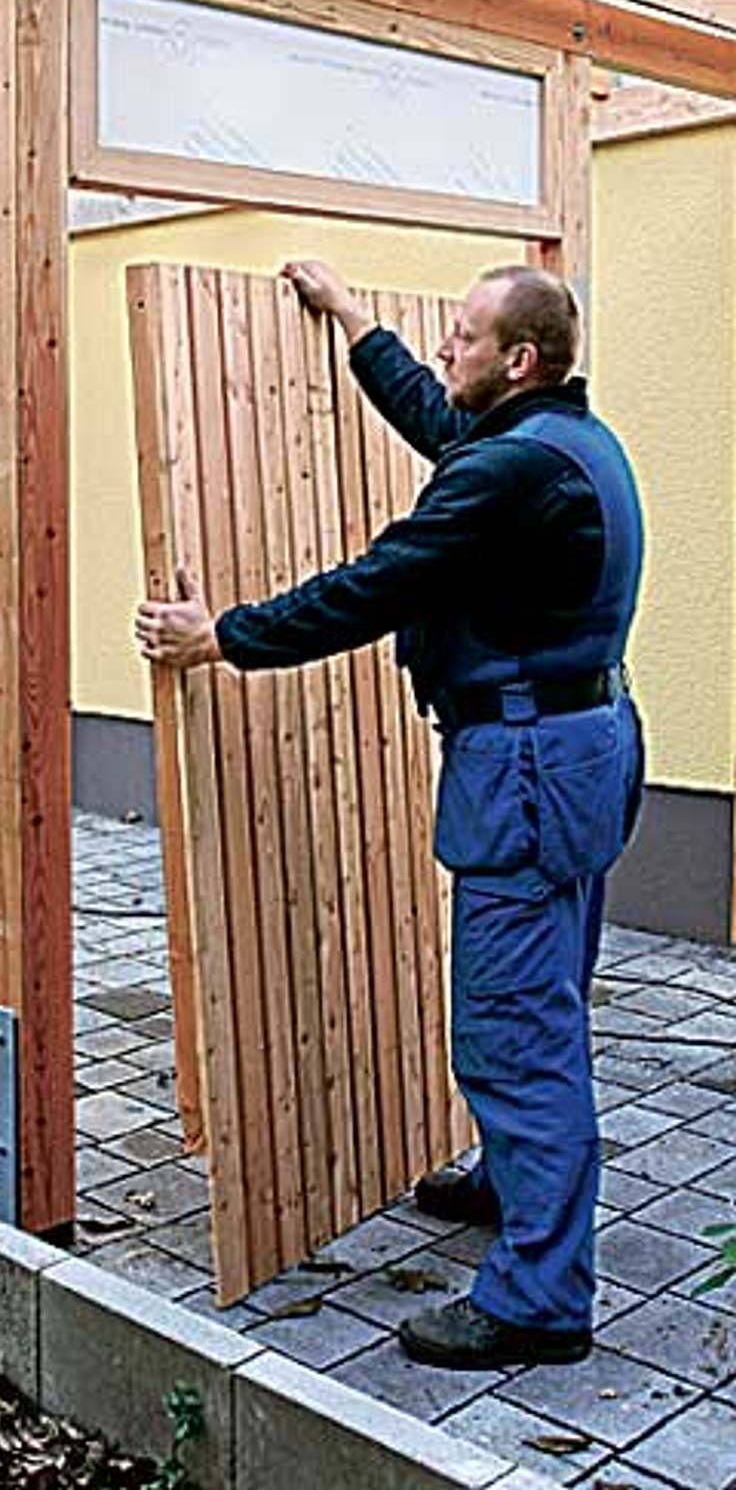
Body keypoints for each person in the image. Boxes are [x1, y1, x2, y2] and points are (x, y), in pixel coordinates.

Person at [134, 260, 644, 1370]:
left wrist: (218, 633)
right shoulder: (560, 437)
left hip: (524, 766)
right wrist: (358, 326)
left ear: (517, 359)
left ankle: (540, 1298)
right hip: (582, 744)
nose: (445, 347)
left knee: (514, 1032)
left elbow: (376, 583)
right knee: (545, 991)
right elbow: (438, 417)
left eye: (462, 336)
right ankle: (516, 1180)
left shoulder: (506, 470)